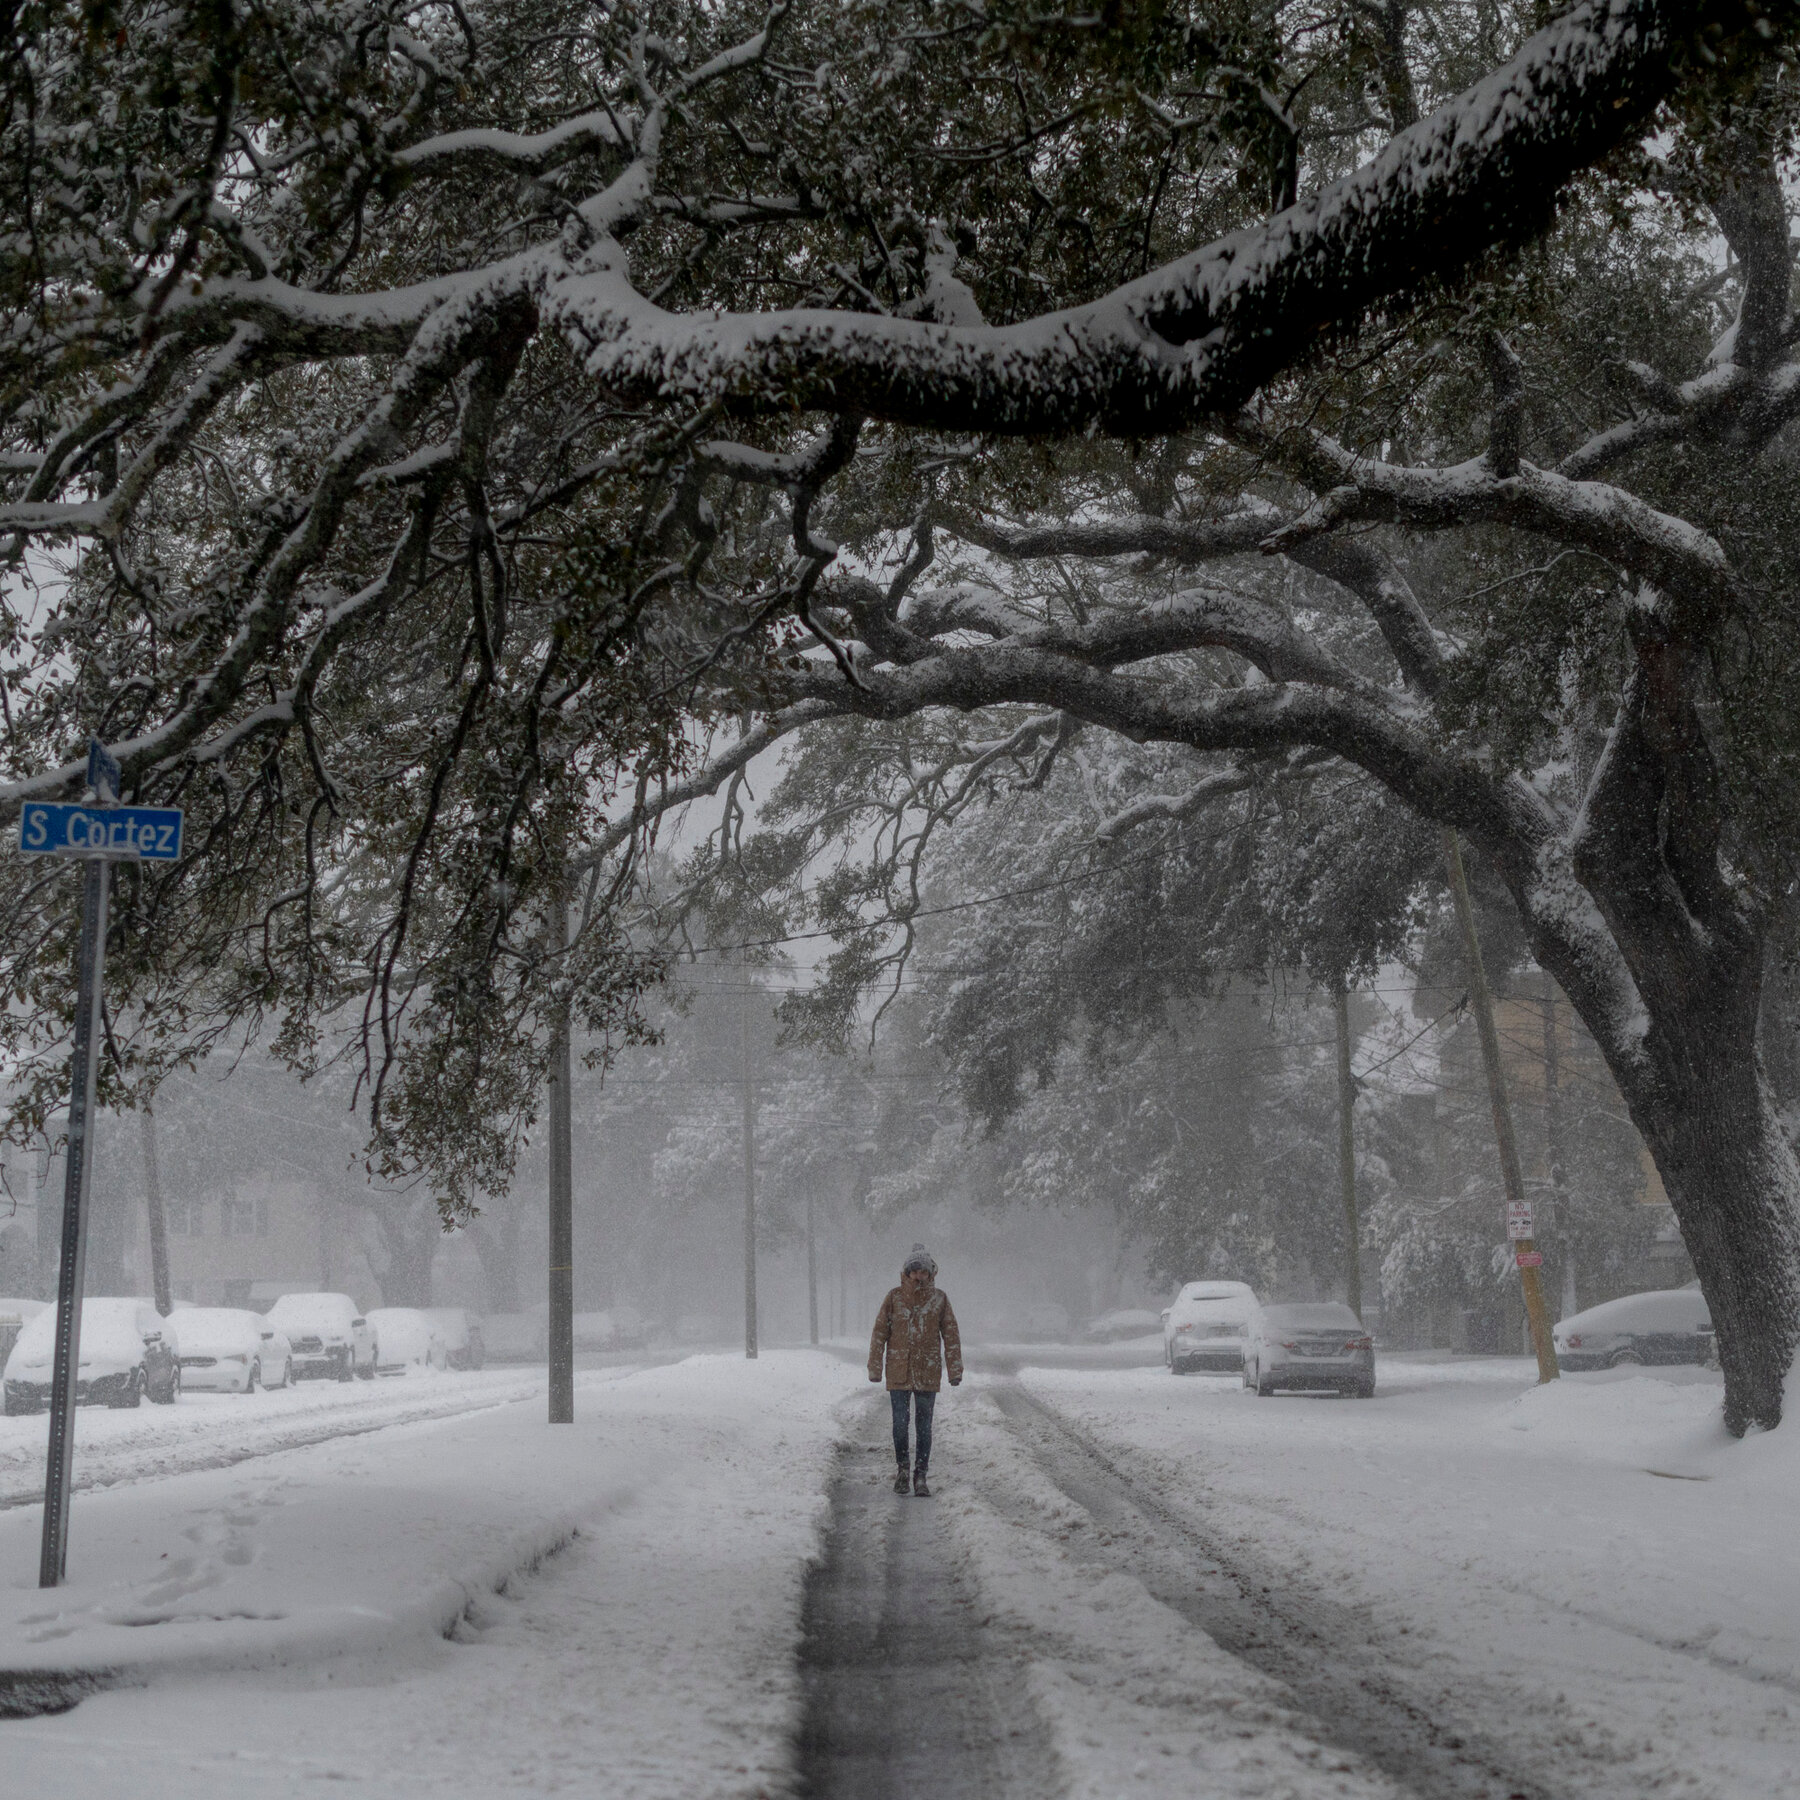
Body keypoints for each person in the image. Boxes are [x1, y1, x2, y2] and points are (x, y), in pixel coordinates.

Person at [868, 1244, 963, 1496]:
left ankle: (921, 1476)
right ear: (907, 1272)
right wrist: (875, 1367)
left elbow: (951, 1335)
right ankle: (902, 1471)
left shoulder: (940, 1299)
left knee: (924, 1426)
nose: (919, 1276)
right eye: (914, 1271)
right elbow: (880, 1333)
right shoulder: (894, 1298)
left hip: (928, 1371)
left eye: (923, 1271)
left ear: (931, 1273)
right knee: (900, 1424)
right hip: (898, 1371)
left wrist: (955, 1370)